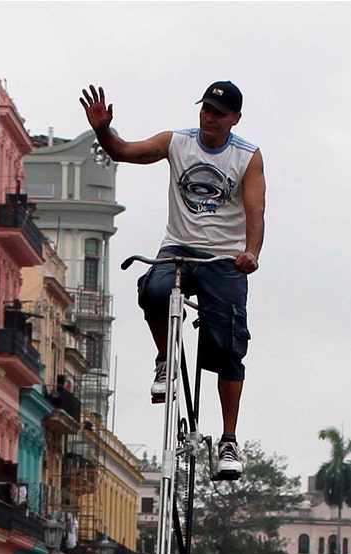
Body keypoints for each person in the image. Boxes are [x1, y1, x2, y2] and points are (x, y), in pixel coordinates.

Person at [80, 80, 264, 481]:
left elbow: (255, 210)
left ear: (235, 118)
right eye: (205, 109)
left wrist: (251, 252)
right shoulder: (177, 142)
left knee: (229, 346)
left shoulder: (247, 157)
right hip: (178, 246)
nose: (209, 118)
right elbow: (122, 151)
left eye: (218, 113)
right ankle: (165, 361)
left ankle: (228, 440)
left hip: (223, 257)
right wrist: (102, 130)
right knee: (154, 289)